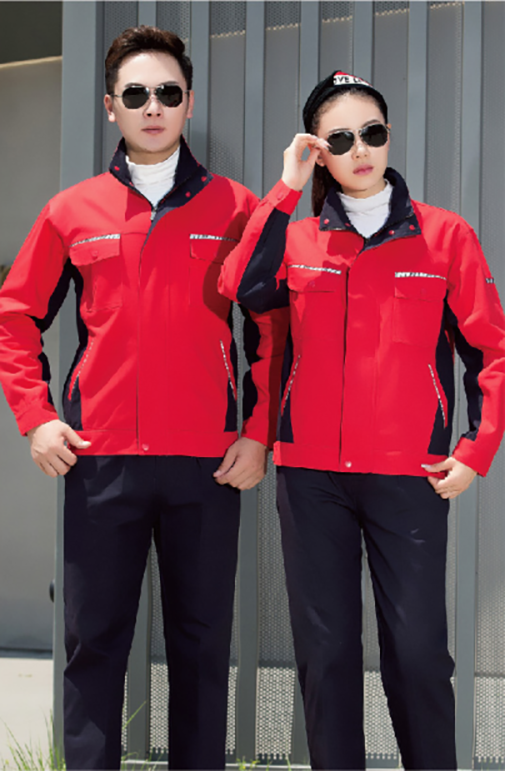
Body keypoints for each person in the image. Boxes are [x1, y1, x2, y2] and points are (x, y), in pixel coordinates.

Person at [0, 26, 287, 771]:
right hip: (101, 463)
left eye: (166, 92)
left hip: (207, 465)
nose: (151, 106)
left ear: (188, 102)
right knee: (93, 643)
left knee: (201, 645)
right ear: (110, 107)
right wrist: (37, 418)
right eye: (135, 94)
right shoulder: (71, 211)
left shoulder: (236, 208)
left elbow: (271, 328)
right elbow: (15, 316)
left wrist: (257, 431)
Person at [219, 71, 505, 770]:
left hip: (410, 476)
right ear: (319, 150)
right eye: (340, 139)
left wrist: (475, 449)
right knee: (326, 654)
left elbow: (491, 352)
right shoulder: (298, 236)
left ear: (388, 135)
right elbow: (238, 284)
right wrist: (286, 188)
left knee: (417, 652)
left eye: (371, 133)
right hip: (312, 478)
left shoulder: (445, 236)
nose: (360, 149)